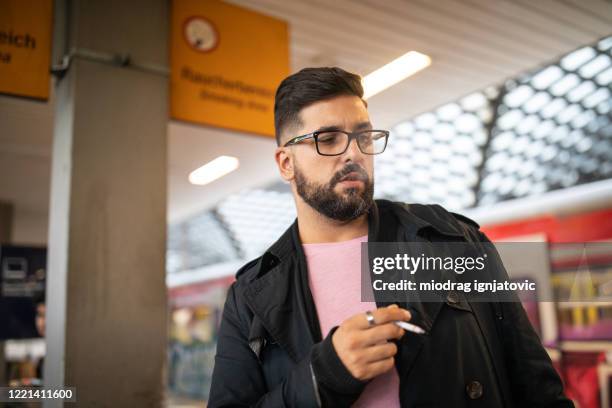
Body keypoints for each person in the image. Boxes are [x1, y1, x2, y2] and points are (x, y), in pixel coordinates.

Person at [208, 67, 573, 407]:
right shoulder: (251, 297)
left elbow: (536, 384)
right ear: (286, 163)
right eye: (328, 139)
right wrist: (323, 375)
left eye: (363, 136)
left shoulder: (451, 239)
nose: (353, 153)